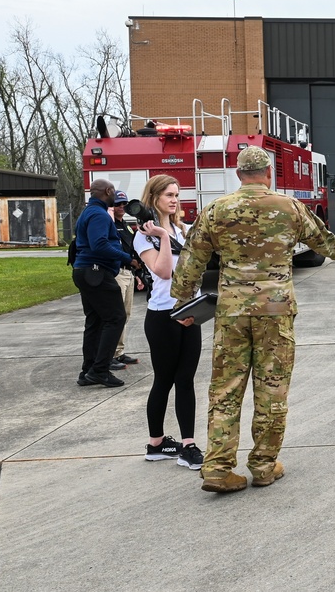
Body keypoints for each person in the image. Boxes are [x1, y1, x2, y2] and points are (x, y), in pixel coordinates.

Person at [170, 146, 335, 493]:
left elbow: (192, 258)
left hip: (231, 312)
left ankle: (219, 468)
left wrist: (183, 300)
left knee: (225, 389)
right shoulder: (290, 208)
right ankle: (264, 466)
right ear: (269, 172)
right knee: (272, 389)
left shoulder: (217, 210)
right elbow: (324, 242)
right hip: (275, 313)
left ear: (238, 175)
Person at [133, 174, 205, 471]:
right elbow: (163, 272)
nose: (175, 200)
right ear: (154, 198)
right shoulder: (144, 235)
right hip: (163, 314)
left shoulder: (183, 229)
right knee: (164, 379)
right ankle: (156, 443)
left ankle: (187, 444)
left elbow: (195, 268)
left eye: (177, 194)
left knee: (186, 379)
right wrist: (162, 236)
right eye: (168, 195)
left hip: (191, 309)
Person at [72, 179, 130, 388]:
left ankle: (88, 370)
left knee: (95, 321)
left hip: (85, 272)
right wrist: (126, 258)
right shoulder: (98, 214)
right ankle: (100, 371)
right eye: (113, 192)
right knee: (116, 317)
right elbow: (99, 245)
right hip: (96, 272)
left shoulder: (88, 212)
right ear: (107, 191)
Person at [111, 191, 141, 370]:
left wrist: (137, 274)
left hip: (129, 273)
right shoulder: (109, 224)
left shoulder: (127, 225)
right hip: (117, 273)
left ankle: (119, 352)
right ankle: (110, 354)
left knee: (126, 314)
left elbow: (132, 249)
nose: (121, 207)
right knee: (116, 315)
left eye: (124, 204)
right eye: (117, 204)